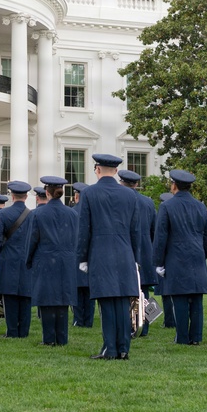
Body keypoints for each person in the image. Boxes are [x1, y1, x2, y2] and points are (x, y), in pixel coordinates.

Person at [76, 153, 141, 360]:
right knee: (122, 302)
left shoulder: (89, 193)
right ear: (115, 171)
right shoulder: (130, 195)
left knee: (106, 302)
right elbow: (135, 230)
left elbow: (84, 229)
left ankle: (110, 348)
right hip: (124, 251)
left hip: (101, 252)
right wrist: (135, 256)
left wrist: (82, 257)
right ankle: (123, 348)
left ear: (97, 170)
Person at [154, 169, 207, 346]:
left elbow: (161, 236)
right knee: (196, 300)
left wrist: (158, 261)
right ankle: (196, 336)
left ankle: (182, 336)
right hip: (197, 256)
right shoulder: (200, 206)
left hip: (176, 257)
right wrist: (202, 253)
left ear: (174, 185)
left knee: (179, 297)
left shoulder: (167, 206)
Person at [26, 176, 78, 346]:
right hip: (66, 260)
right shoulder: (72, 214)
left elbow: (32, 239)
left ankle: (49, 338)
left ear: (46, 193)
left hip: (46, 259)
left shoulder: (38, 213)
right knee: (63, 299)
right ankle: (62, 338)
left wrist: (29, 259)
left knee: (47, 300)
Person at [0, 180, 34, 338]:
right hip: (27, 259)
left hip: (8, 258)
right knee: (25, 296)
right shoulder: (32, 215)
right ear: (26, 196)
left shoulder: (3, 214)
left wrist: (0, 254)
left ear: (11, 196)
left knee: (9, 297)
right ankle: (24, 331)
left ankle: (12, 331)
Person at [118, 169, 158, 337]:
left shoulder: (120, 200)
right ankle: (145, 326)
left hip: (127, 249)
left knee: (127, 293)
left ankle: (131, 326)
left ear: (122, 182)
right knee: (144, 292)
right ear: (136, 184)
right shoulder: (148, 202)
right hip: (146, 251)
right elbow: (153, 230)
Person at [69, 182, 94, 328]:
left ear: (76, 196)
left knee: (77, 291)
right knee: (89, 292)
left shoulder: (72, 212)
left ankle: (78, 319)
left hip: (76, 254)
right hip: (90, 254)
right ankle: (88, 320)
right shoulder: (92, 212)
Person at [156, 191, 176, 329]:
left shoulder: (163, 215)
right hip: (173, 256)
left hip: (167, 256)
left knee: (166, 292)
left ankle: (169, 321)